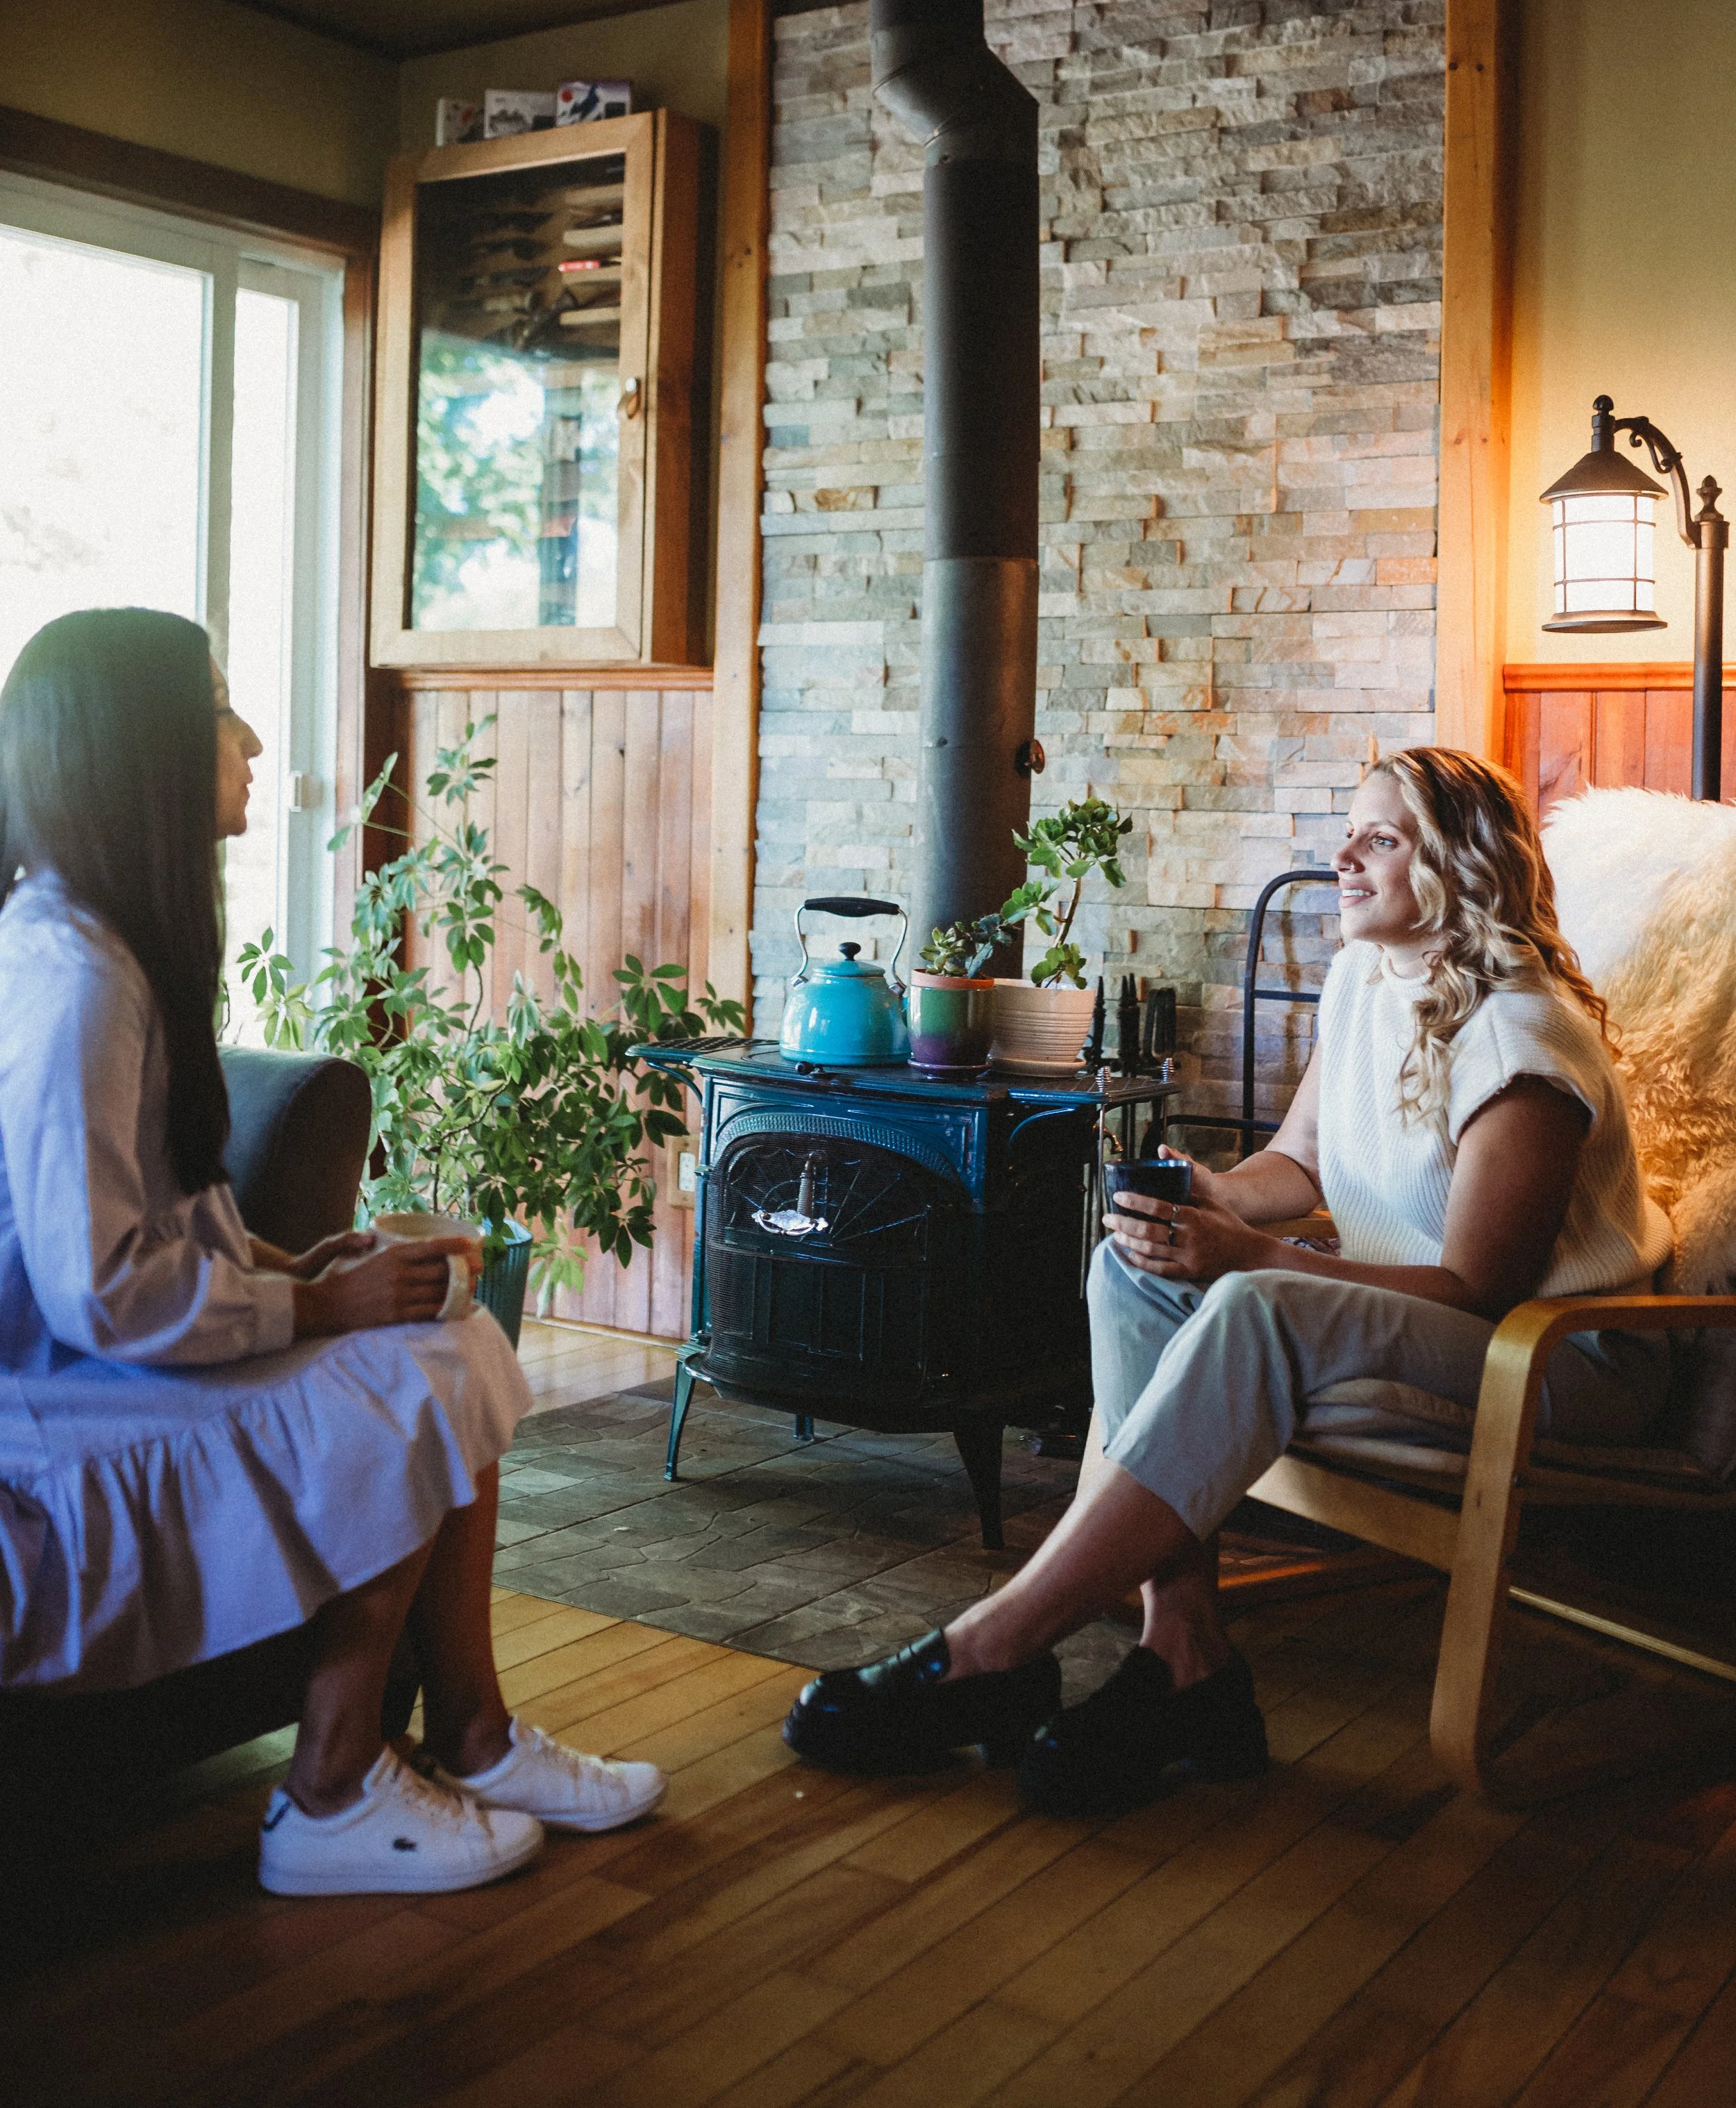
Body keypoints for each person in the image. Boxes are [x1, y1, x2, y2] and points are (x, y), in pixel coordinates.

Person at [784, 746, 1674, 1813]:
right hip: (1441, 1329)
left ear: (1462, 868)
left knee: (1255, 1302)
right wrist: (1200, 1198)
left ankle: (995, 1646)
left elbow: (1481, 1288)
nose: (1341, 856)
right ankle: (1187, 1647)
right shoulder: (1365, 979)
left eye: (1380, 839)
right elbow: (1297, 1166)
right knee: (1132, 1269)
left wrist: (1258, 1258)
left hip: (1562, 1362)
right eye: (1351, 830)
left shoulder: (1523, 1036)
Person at [0, 608, 664, 1895]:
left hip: (112, 1378)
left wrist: (306, 1272)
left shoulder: (104, 945)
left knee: (446, 1326)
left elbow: (160, 1209)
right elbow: (95, 1289)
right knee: (417, 1366)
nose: (248, 741)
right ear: (137, 751)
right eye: (218, 712)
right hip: (56, 1418)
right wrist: (317, 1314)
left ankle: (470, 1735)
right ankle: (329, 1784)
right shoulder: (71, 977)